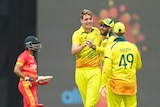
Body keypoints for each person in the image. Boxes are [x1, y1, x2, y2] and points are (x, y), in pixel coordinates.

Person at [101, 22, 142, 107]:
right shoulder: (133, 47)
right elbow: (138, 66)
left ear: (114, 32)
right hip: (130, 85)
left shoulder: (110, 47)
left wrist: (103, 84)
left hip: (115, 85)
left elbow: (107, 68)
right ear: (124, 32)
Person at [71, 9, 102, 107]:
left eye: (90, 19)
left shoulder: (97, 32)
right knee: (86, 103)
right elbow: (73, 51)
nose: (89, 21)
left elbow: (105, 45)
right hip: (80, 71)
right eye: (86, 19)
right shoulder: (77, 34)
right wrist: (83, 45)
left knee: (90, 103)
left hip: (94, 70)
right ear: (81, 21)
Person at [14, 35, 49, 107]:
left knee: (29, 105)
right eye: (34, 44)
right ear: (28, 45)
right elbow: (16, 70)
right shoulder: (23, 56)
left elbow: (31, 74)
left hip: (33, 85)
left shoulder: (32, 57)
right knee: (33, 104)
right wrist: (26, 78)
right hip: (26, 84)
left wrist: (38, 79)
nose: (36, 46)